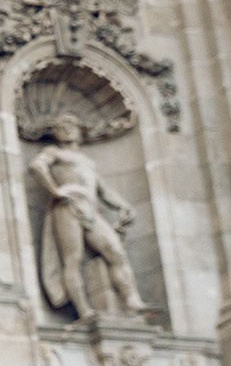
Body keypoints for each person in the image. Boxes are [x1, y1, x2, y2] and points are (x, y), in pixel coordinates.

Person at [31, 112, 147, 321]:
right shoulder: (54, 153)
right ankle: (84, 310)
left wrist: (123, 206)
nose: (66, 128)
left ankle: (132, 300)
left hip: (90, 207)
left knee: (115, 251)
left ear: (80, 130)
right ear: (55, 132)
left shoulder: (87, 162)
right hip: (67, 206)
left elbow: (103, 190)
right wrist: (55, 190)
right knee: (72, 259)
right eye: (61, 125)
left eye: (71, 124)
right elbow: (37, 167)